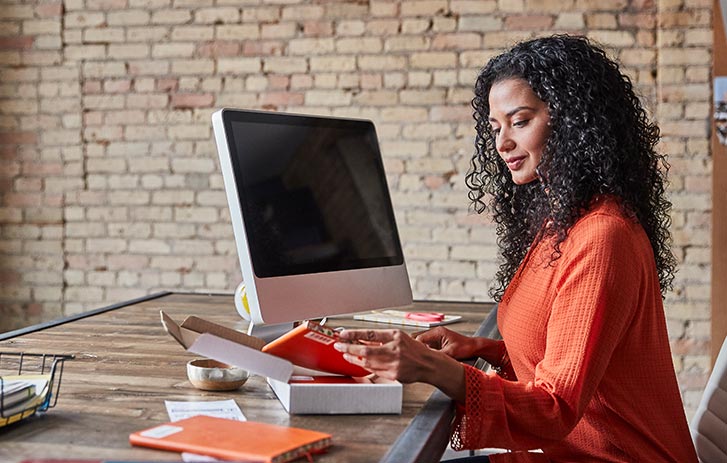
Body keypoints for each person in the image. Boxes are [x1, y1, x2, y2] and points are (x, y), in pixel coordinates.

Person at [333, 35, 698, 462]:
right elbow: (567, 356)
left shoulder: (602, 237)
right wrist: (480, 349)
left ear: (572, 120)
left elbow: (555, 407)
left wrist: (431, 368)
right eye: (495, 127)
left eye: (520, 121)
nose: (502, 143)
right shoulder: (562, 222)